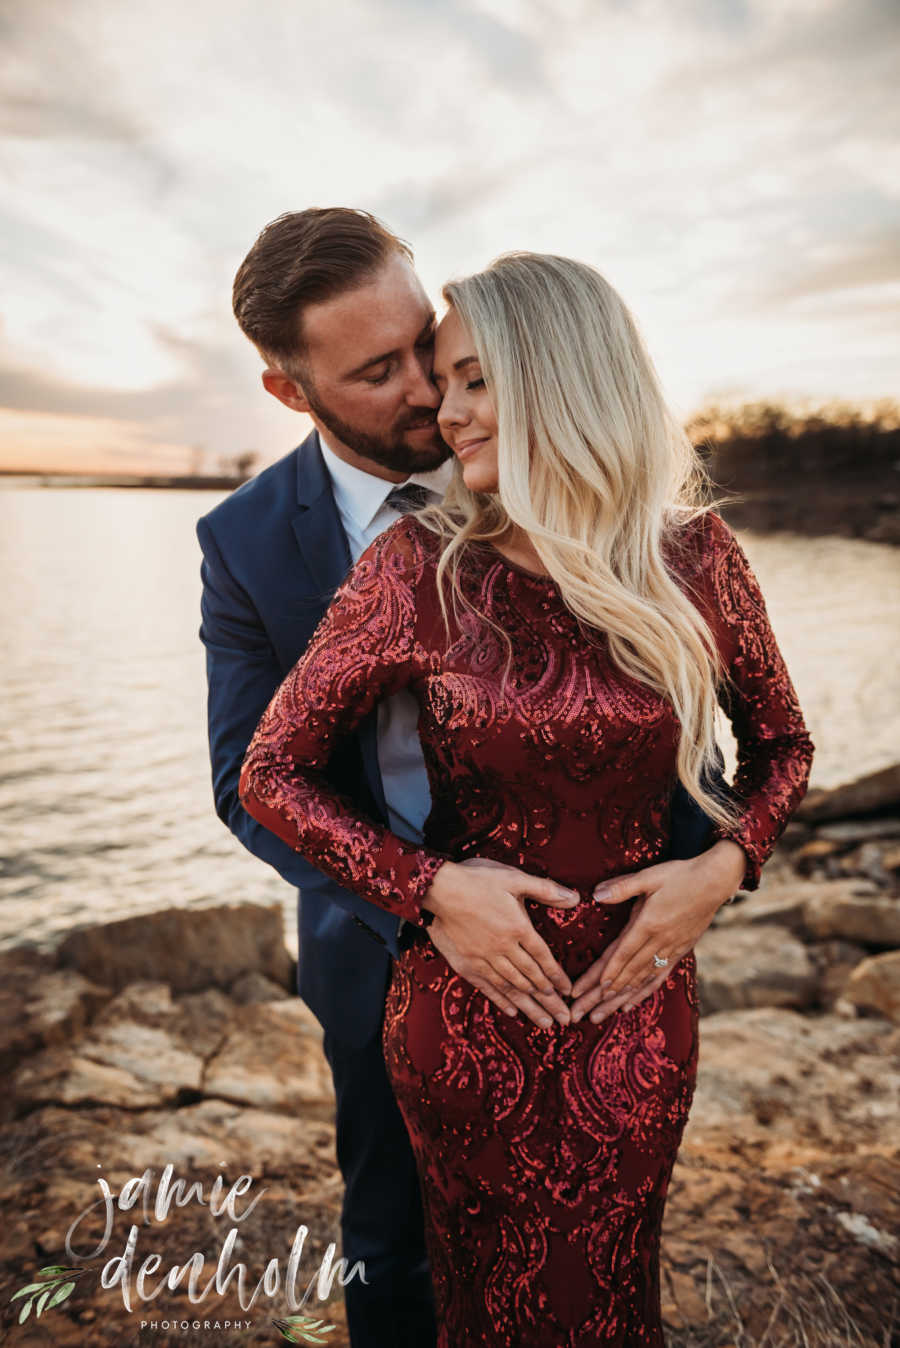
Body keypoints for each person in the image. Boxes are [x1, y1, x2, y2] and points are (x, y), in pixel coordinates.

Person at [237, 249, 815, 1346]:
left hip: (638, 1008)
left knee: (609, 1300)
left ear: (558, 373)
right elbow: (271, 773)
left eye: (472, 379)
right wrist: (427, 885)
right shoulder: (419, 565)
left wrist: (727, 866)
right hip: (464, 1013)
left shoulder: (696, 556)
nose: (445, 412)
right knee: (477, 1309)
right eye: (441, 383)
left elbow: (782, 745)